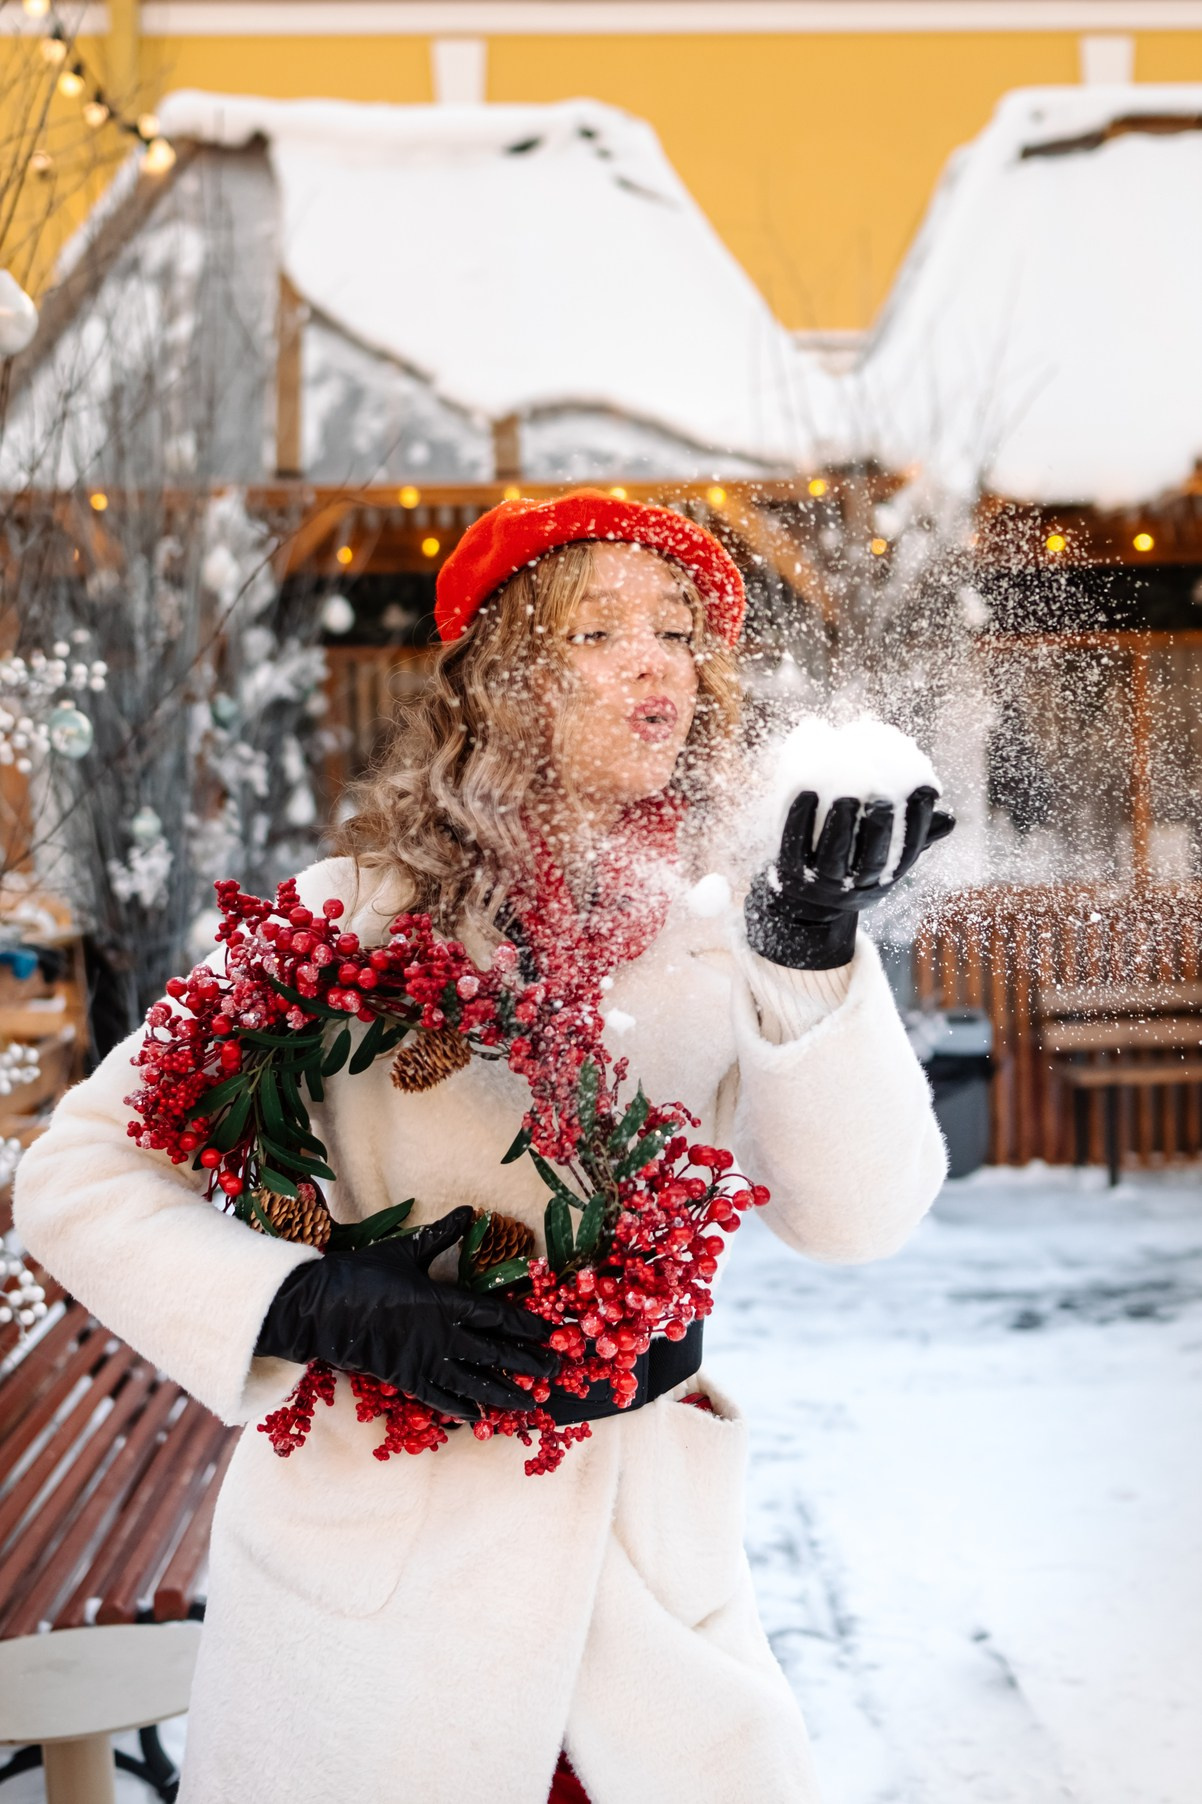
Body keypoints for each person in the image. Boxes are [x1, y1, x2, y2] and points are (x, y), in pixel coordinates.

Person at [15, 490, 951, 1804]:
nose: (655, 663)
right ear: (503, 674)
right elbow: (75, 1173)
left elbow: (856, 1218)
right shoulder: (346, 918)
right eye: (597, 632)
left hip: (644, 1598)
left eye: (678, 631)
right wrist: (310, 1300)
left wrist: (808, 963)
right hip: (379, 1596)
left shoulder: (736, 919)